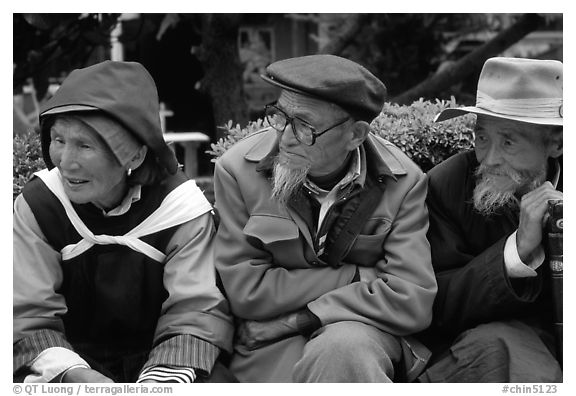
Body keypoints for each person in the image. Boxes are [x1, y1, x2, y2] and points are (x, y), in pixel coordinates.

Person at [212, 54, 437, 382]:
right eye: (280, 117)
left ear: (356, 135)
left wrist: (301, 318)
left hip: (360, 332)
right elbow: (247, 292)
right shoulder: (236, 170)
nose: (285, 137)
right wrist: (355, 277)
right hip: (265, 344)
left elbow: (411, 300)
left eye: (305, 126)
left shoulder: (404, 183)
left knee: (344, 350)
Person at [13, 61, 234, 383]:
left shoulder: (180, 211)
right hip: (66, 360)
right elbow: (27, 312)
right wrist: (73, 373)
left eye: (85, 145)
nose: (65, 161)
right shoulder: (40, 205)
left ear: (134, 155)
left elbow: (196, 310)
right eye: (58, 140)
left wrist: (160, 381)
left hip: (166, 360)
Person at [417, 57, 563, 382]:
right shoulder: (446, 184)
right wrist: (516, 252)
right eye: (482, 137)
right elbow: (434, 301)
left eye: (508, 141)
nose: (490, 159)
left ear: (556, 143)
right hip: (478, 351)